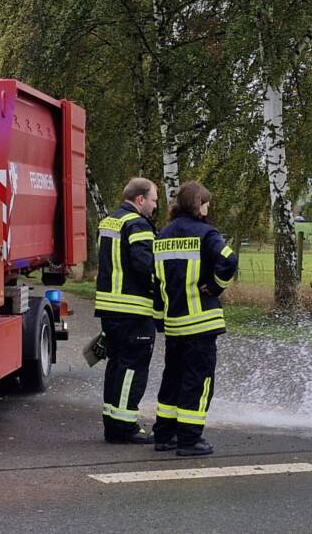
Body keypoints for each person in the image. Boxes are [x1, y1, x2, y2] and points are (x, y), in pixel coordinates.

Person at [151, 182, 238, 457]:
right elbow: (229, 259)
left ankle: (165, 435)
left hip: (174, 322)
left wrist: (159, 320)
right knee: (198, 381)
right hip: (200, 323)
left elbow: (156, 283)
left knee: (173, 378)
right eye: (206, 203)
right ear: (198, 204)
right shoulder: (206, 233)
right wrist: (214, 286)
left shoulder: (162, 235)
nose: (208, 207)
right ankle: (190, 439)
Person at [95, 177, 160, 444]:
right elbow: (146, 265)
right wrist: (165, 287)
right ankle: (124, 427)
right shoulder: (137, 224)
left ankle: (112, 423)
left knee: (116, 366)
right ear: (140, 199)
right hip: (133, 309)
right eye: (154, 200)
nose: (156, 206)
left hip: (110, 309)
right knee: (132, 369)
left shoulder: (109, 221)